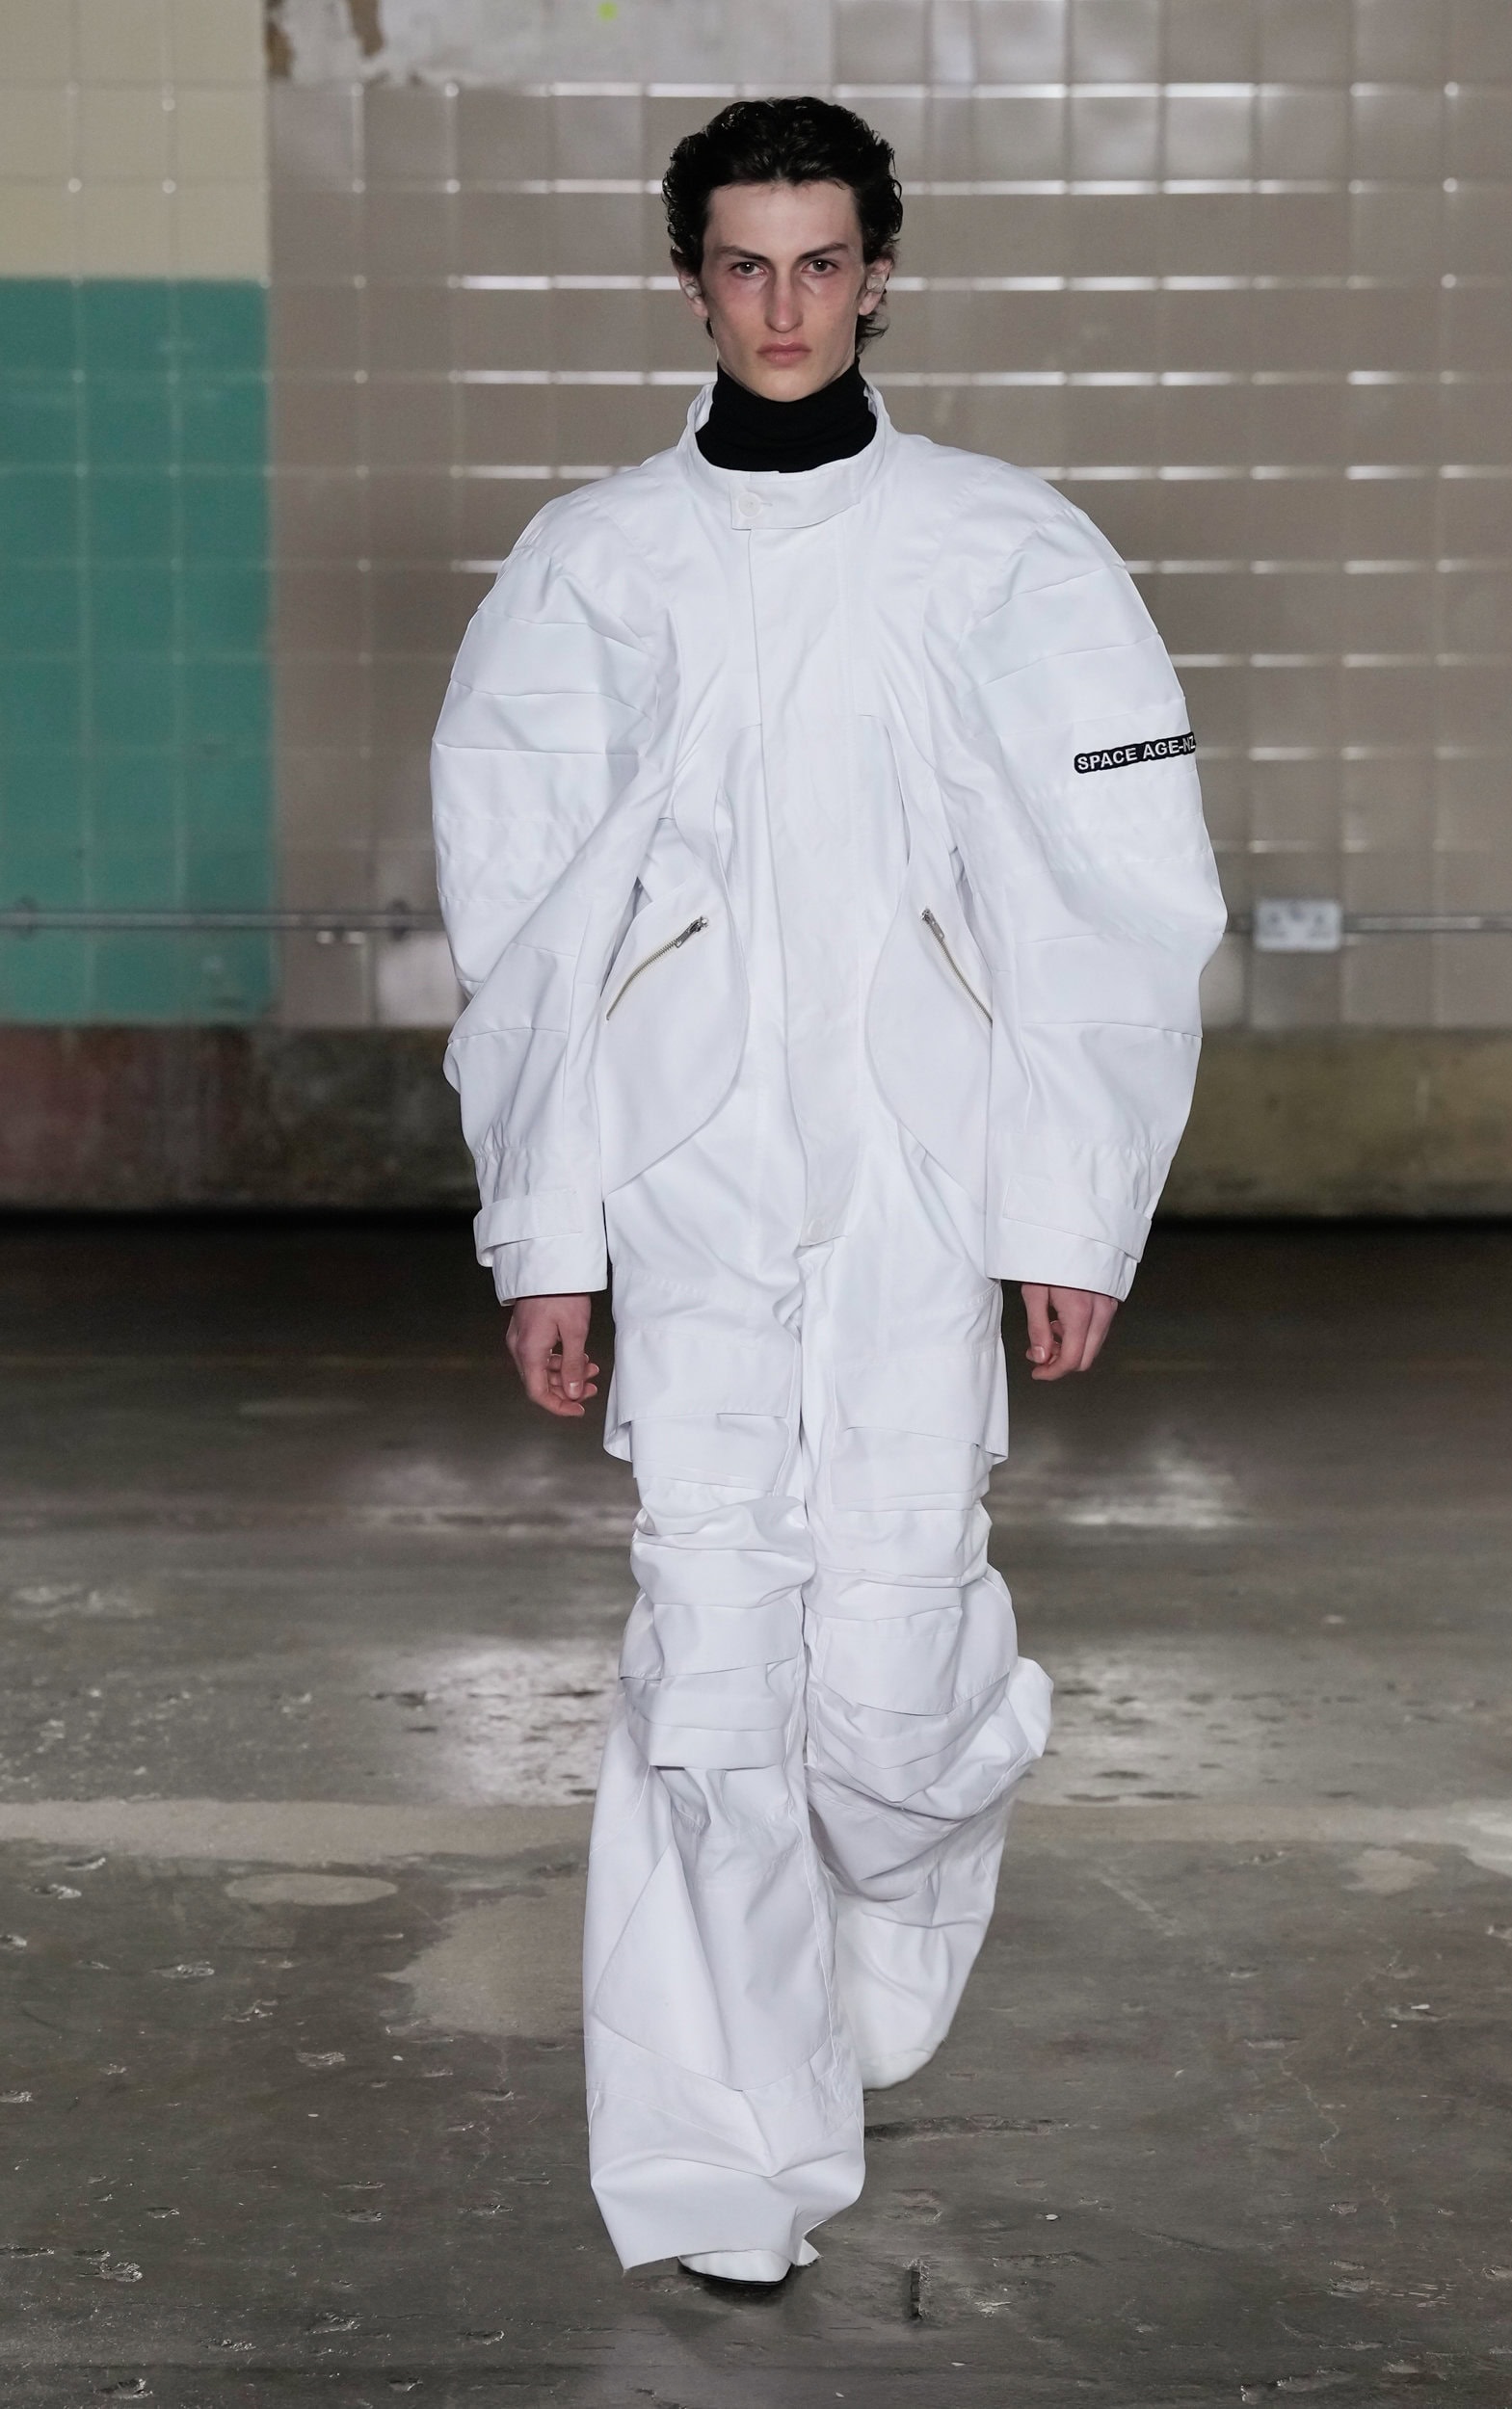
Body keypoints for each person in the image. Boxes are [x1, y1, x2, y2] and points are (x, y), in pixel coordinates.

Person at [431, 96, 1224, 2287]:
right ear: (690, 283)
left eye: (819, 261)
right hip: (683, 1180)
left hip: (913, 1185)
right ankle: (725, 2176)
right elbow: (530, 932)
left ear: (880, 275)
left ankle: (913, 1851)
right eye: (741, 263)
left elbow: (1112, 899)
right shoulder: (594, 565)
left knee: (886, 1699)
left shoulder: (1007, 550)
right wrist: (547, 1230)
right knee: (707, 1679)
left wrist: (1070, 1203)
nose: (782, 304)